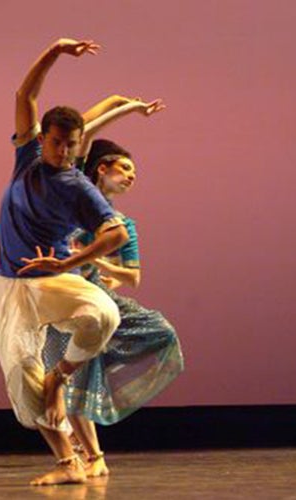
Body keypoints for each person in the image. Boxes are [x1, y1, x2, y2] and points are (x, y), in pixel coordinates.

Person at [0, 38, 131, 486]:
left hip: (50, 280)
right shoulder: (26, 158)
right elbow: (25, 96)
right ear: (42, 138)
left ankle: (60, 376)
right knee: (21, 388)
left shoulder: (77, 186)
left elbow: (117, 233)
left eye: (71, 145)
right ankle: (67, 462)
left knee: (103, 314)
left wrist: (69, 264)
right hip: (9, 286)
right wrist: (54, 51)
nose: (63, 152)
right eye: (56, 143)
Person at [41, 99, 183, 478]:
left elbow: (131, 275)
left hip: (95, 297)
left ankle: (89, 455)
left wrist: (92, 258)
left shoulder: (123, 224)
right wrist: (126, 105)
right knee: (68, 374)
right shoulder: (78, 192)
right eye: (125, 169)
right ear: (101, 169)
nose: (132, 177)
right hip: (64, 299)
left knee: (158, 332)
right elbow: (83, 133)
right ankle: (87, 456)